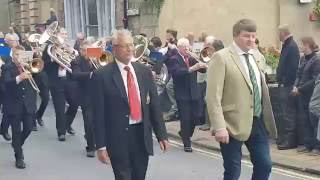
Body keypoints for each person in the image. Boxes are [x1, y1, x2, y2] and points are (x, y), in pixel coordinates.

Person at [92, 29, 169, 180]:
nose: (129, 49)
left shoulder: (144, 71)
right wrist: (101, 146)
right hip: (118, 138)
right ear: (114, 49)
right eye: (124, 46)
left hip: (141, 135)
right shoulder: (102, 75)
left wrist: (162, 135)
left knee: (139, 176)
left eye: (131, 45)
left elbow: (154, 105)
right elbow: (98, 114)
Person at [206, 19, 277, 180]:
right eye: (247, 36)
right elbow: (213, 97)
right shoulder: (221, 57)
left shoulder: (257, 56)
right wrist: (219, 127)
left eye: (253, 36)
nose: (251, 40)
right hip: (231, 123)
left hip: (257, 121)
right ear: (236, 36)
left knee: (265, 165)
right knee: (233, 171)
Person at [166, 38, 207, 152]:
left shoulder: (191, 58)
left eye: (188, 46)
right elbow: (177, 73)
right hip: (182, 94)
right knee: (185, 119)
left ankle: (184, 133)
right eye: (184, 47)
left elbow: (202, 71)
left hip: (194, 93)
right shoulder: (174, 59)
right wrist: (191, 69)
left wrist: (203, 64)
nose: (187, 49)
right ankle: (187, 143)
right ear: (179, 48)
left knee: (197, 116)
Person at [1, 46, 37, 169]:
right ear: (12, 56)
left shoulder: (28, 65)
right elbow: (6, 82)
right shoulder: (7, 67)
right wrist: (19, 77)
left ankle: (17, 145)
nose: (18, 57)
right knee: (16, 132)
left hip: (27, 103)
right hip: (13, 103)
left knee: (28, 128)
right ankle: (19, 157)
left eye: (21, 55)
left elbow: (37, 75)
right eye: (16, 55)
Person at [292, 36, 320, 155]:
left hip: (311, 94)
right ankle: (307, 144)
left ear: (307, 45)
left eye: (301, 44)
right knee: (304, 120)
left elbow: (314, 79)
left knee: (313, 120)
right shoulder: (303, 58)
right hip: (301, 93)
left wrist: (300, 89)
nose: (300, 46)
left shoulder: (316, 60)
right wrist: (295, 86)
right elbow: (298, 74)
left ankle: (316, 147)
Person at [276, 24, 300, 150]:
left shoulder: (291, 46)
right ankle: (285, 138)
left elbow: (292, 68)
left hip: (288, 85)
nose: (277, 35)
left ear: (283, 33)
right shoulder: (287, 45)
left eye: (278, 33)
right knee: (284, 113)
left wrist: (285, 81)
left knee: (288, 113)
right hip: (285, 84)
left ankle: (290, 141)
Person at [71, 41, 96, 157]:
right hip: (85, 95)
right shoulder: (76, 61)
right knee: (89, 121)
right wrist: (90, 74)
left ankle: (94, 138)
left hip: (99, 94)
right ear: (81, 51)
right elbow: (75, 75)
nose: (88, 53)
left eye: (90, 50)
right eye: (86, 51)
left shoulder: (96, 57)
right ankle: (90, 147)